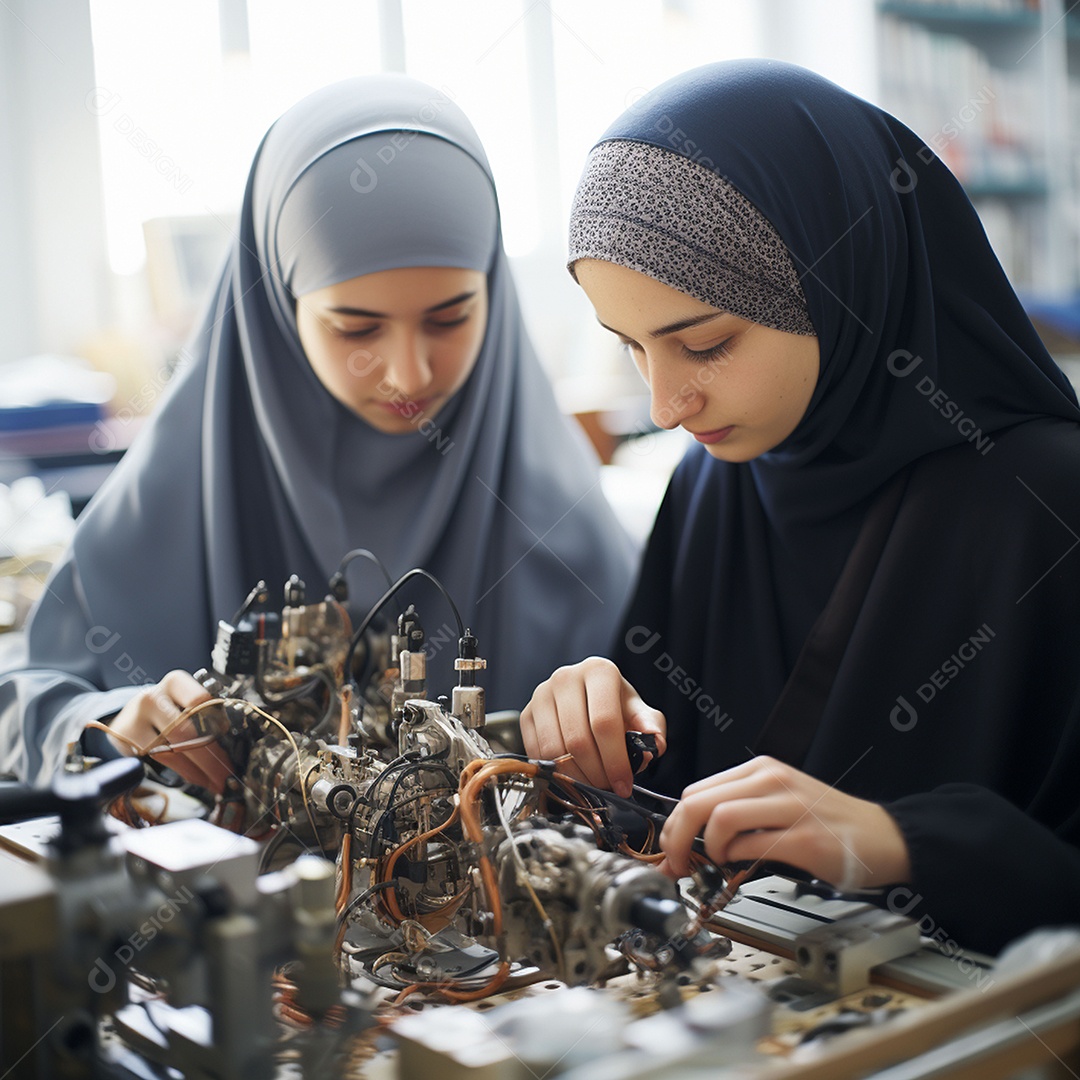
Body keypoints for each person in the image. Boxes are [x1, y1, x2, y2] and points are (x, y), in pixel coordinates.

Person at [520, 59, 1080, 954]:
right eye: (628, 347)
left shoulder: (1047, 503)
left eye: (702, 343)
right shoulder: (713, 481)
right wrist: (593, 739)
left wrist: (898, 845)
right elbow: (653, 819)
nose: (666, 405)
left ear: (839, 283)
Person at [0, 75, 636, 790]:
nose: (408, 372)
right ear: (277, 304)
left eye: (450, 317)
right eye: (356, 327)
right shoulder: (164, 505)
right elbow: (21, 703)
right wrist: (108, 724)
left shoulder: (564, 524)